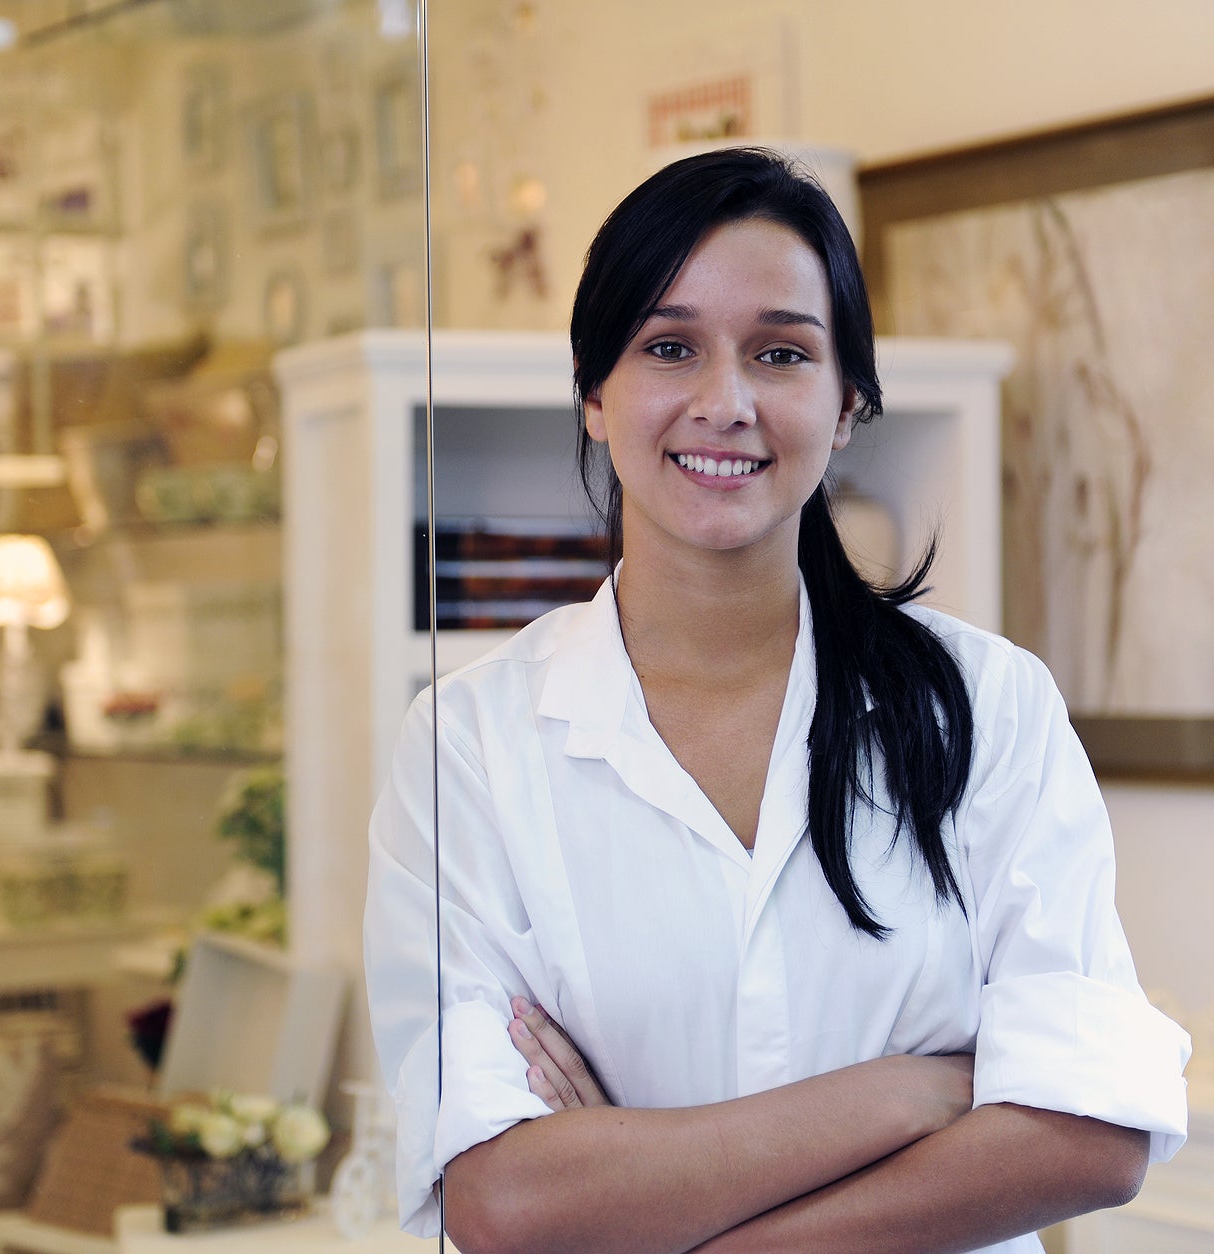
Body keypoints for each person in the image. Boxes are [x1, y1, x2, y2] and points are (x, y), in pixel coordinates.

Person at [362, 148, 1191, 1254]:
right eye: (668, 347)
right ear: (594, 394)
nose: (726, 402)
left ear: (846, 404)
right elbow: (502, 1201)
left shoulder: (984, 705)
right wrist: (906, 1094)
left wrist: (650, 1189)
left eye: (780, 353)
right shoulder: (468, 746)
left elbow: (1088, 1137)